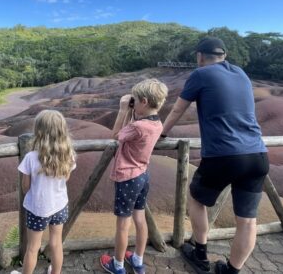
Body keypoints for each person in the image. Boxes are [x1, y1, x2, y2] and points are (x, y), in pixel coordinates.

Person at [161, 37, 269, 274]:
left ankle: (200, 255)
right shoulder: (241, 73)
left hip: (224, 155)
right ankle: (231, 270)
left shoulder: (201, 74)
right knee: (248, 220)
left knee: (196, 200)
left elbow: (179, 108)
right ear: (224, 56)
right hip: (258, 154)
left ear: (199, 56)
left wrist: (163, 133)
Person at [100, 79, 168, 274]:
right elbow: (133, 129)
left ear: (144, 101)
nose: (133, 102)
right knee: (140, 219)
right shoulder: (156, 124)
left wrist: (123, 110)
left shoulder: (137, 127)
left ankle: (118, 265)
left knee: (123, 224)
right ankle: (138, 260)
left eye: (136, 100)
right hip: (142, 175)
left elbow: (115, 135)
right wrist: (133, 112)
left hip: (128, 177)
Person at [12, 110, 76, 274]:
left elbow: (25, 186)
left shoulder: (31, 158)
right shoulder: (68, 155)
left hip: (38, 208)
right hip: (60, 205)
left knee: (33, 248)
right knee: (56, 243)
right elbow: (66, 178)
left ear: (39, 132)